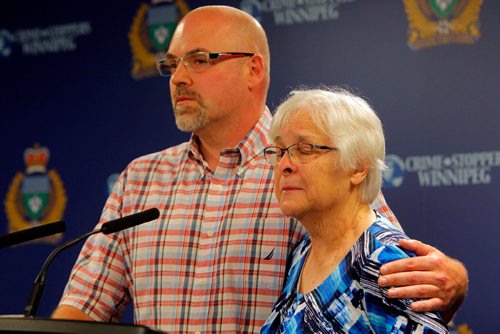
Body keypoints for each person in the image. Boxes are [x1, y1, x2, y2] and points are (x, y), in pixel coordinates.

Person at [52, 5, 467, 333]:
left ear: (253, 69)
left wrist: (455, 280)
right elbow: (84, 306)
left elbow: (393, 271)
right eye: (172, 64)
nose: (178, 77)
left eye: (198, 60)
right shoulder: (140, 180)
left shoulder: (316, 163)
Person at [260, 87, 448, 333]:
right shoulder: (305, 252)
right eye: (279, 151)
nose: (284, 165)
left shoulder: (385, 264)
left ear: (359, 167)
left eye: (305, 149)